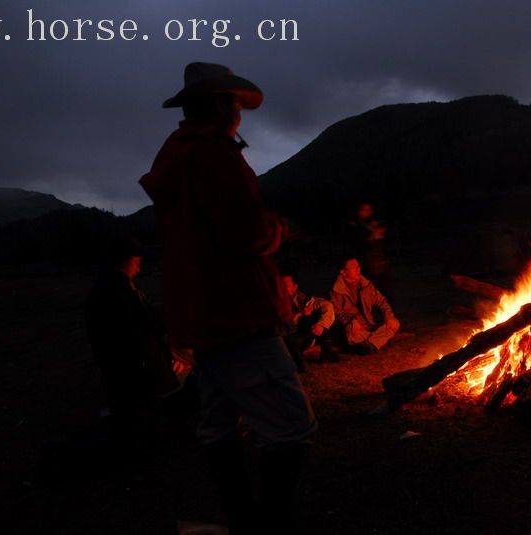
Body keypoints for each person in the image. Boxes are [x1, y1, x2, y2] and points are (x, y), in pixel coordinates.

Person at [139, 62, 316, 535]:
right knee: (290, 424)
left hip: (203, 315)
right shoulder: (213, 155)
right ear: (220, 105)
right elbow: (245, 231)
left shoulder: (177, 154)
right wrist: (281, 229)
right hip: (236, 312)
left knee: (218, 421)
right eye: (236, 104)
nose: (239, 114)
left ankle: (240, 518)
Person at [84, 237, 179, 451]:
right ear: (124, 260)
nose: (139, 265)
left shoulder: (116, 285)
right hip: (130, 366)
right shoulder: (116, 290)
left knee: (135, 407)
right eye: (136, 260)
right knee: (138, 409)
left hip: (124, 365)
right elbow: (142, 322)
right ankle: (139, 447)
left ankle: (139, 440)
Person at [330, 257, 400, 354]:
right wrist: (351, 320)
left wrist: (389, 317)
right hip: (355, 327)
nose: (358, 269)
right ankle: (376, 341)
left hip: (370, 324)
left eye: (358, 266)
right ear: (343, 272)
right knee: (350, 332)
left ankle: (369, 344)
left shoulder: (366, 284)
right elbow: (336, 313)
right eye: (353, 267)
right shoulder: (336, 291)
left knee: (394, 324)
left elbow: (381, 302)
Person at [280, 270, 339, 369]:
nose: (282, 288)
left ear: (295, 287)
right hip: (288, 339)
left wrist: (321, 325)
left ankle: (326, 353)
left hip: (304, 336)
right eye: (280, 285)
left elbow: (326, 305)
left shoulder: (303, 299)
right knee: (306, 318)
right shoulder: (276, 302)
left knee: (316, 318)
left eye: (285, 285)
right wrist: (300, 315)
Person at [346, 203, 394, 302]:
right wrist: (370, 237)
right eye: (363, 210)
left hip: (380, 264)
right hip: (364, 263)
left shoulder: (376, 224)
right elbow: (355, 244)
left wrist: (378, 234)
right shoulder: (355, 225)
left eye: (369, 210)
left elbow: (385, 243)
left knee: (384, 289)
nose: (366, 212)